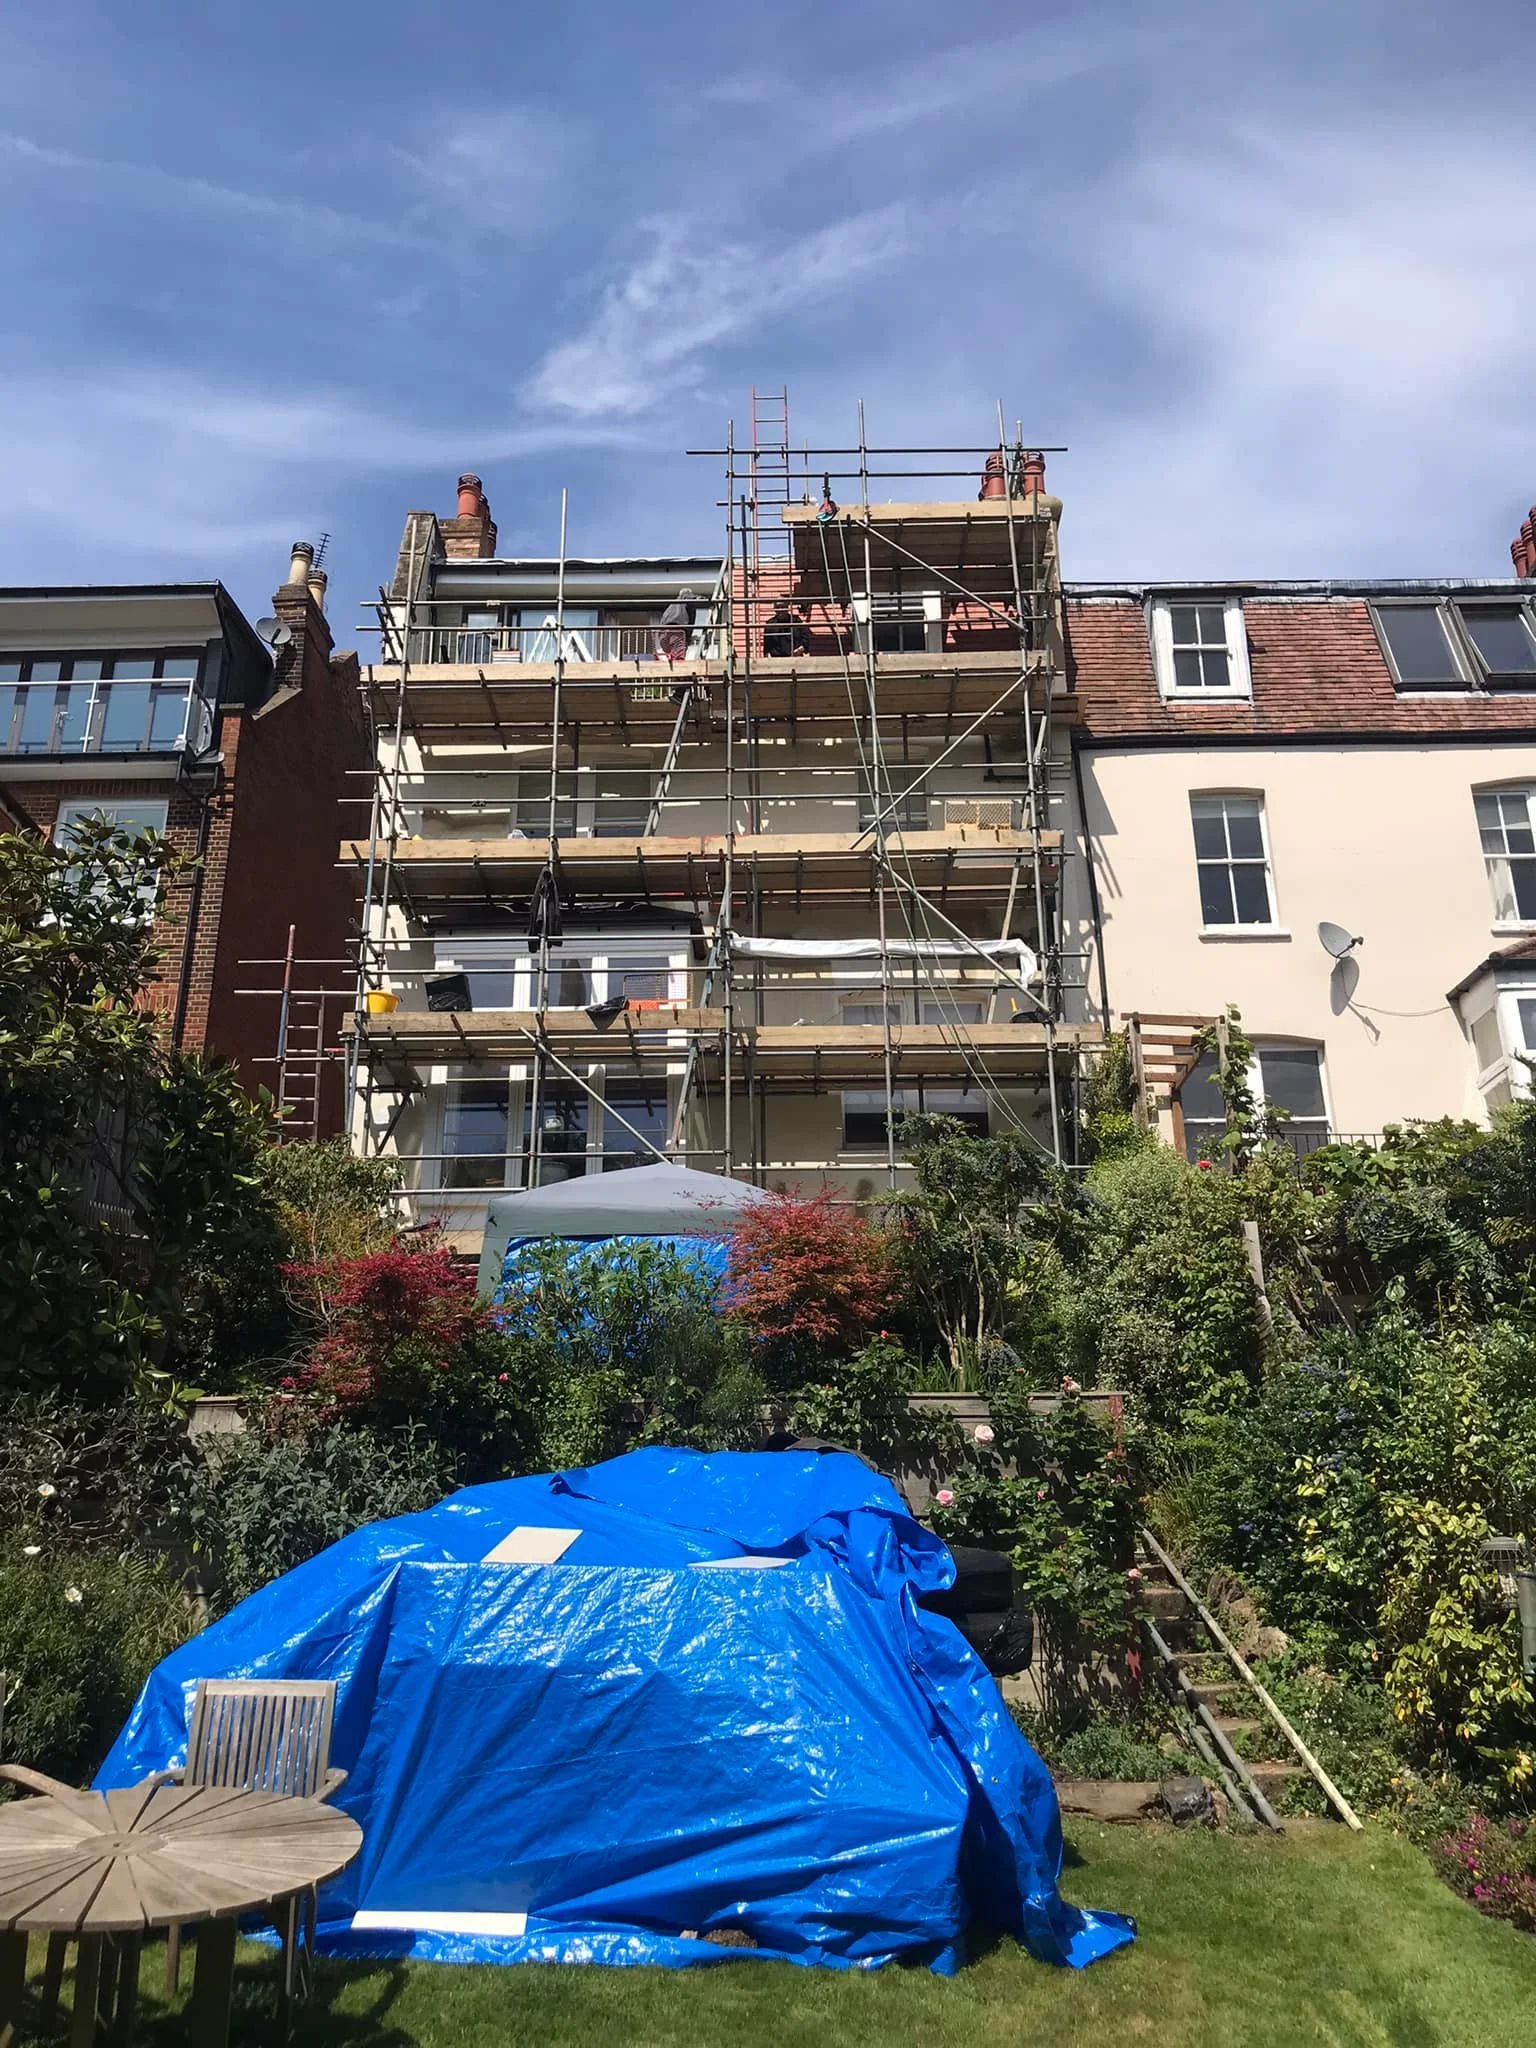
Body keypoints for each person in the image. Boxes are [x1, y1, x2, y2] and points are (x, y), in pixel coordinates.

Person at [654, 587, 698, 665]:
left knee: (672, 655)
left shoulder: (672, 605)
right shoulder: (686, 597)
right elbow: (690, 599)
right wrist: (703, 599)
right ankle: (680, 672)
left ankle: (671, 659)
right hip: (676, 630)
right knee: (679, 657)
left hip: (662, 633)